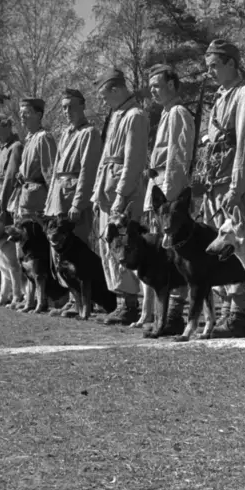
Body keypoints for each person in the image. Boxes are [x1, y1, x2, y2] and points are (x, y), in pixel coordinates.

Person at [200, 39, 245, 337]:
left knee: (238, 245)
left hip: (234, 184)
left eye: (214, 65)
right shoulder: (221, 97)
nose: (210, 72)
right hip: (217, 182)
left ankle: (240, 312)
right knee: (222, 249)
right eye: (208, 66)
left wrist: (237, 186)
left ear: (230, 64)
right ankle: (227, 309)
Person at [92, 68, 150, 326]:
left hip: (122, 193)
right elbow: (105, 159)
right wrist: (97, 193)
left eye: (104, 94)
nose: (103, 100)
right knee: (108, 247)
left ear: (115, 89)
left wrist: (121, 194)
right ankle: (119, 300)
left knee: (124, 246)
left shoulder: (135, 116)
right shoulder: (116, 115)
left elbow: (133, 160)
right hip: (106, 189)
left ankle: (130, 303)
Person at [140, 64, 195, 334]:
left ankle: (174, 313)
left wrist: (171, 200)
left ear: (172, 85)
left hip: (168, 193)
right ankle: (164, 314)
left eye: (157, 85)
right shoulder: (164, 115)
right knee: (165, 255)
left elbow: (177, 155)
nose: (153, 91)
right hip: (158, 189)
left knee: (176, 254)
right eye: (150, 87)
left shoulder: (177, 113)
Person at [44, 87, 104, 317]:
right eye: (64, 108)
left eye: (71, 106)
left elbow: (88, 170)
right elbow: (56, 172)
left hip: (74, 198)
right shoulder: (65, 134)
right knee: (60, 254)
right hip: (60, 196)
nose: (67, 111)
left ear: (82, 106)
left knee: (78, 252)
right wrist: (51, 202)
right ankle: (72, 298)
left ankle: (87, 300)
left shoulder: (89, 133)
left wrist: (78, 203)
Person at [10, 98, 56, 222]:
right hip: (26, 198)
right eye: (21, 113)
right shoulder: (30, 138)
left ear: (38, 115)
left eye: (27, 112)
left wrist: (53, 202)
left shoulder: (44, 137)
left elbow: (50, 173)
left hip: (38, 201)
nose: (22, 116)